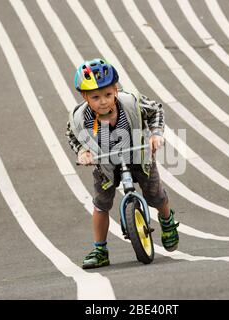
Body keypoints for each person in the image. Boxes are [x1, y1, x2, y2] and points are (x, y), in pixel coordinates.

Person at [66, 58, 179, 269]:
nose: (103, 101)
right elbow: (72, 135)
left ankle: (167, 221)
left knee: (155, 194)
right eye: (95, 97)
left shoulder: (131, 102)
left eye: (108, 94)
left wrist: (156, 135)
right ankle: (100, 249)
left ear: (116, 90)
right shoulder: (80, 117)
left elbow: (156, 110)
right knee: (101, 205)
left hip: (137, 155)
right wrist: (83, 151)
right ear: (84, 97)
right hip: (106, 163)